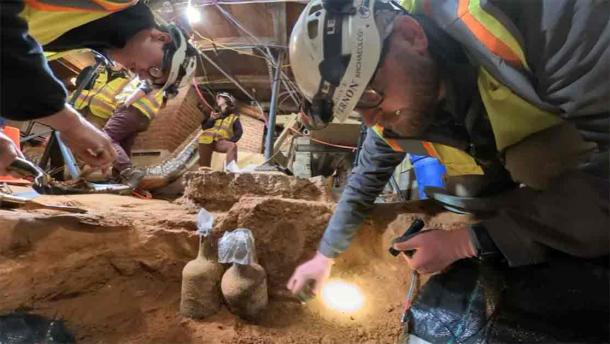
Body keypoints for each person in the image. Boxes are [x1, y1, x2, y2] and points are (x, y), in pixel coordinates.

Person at [286, 0, 608, 302]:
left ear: (411, 36)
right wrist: (324, 257)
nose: (371, 120)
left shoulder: (545, 23)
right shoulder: (391, 110)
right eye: (357, 110)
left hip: (576, 138)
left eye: (369, 94)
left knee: (536, 165)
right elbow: (363, 183)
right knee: (465, 190)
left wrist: (467, 242)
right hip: (499, 158)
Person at [0, 0, 197, 175]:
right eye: (155, 70)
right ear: (161, 37)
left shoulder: (79, 36)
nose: (141, 74)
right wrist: (69, 122)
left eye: (149, 79)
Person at [103, 77, 168, 187]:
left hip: (131, 110)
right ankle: (119, 179)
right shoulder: (163, 86)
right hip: (144, 118)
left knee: (106, 138)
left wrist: (125, 104)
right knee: (123, 146)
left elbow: (144, 87)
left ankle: (128, 171)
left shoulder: (144, 72)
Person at [73, 60, 132, 129]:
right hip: (77, 105)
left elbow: (122, 103)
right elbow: (80, 83)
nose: (115, 61)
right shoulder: (98, 68)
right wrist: (92, 72)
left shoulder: (127, 81)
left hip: (99, 116)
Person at [198, 92, 243, 168]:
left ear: (226, 100)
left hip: (220, 142)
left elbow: (239, 132)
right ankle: (204, 169)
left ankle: (230, 169)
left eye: (220, 98)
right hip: (206, 140)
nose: (218, 100)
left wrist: (230, 141)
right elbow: (205, 127)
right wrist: (211, 119)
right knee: (204, 167)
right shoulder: (215, 115)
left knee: (232, 146)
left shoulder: (233, 118)